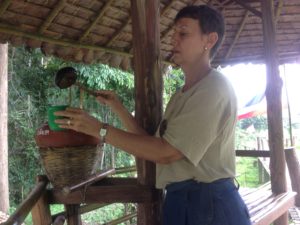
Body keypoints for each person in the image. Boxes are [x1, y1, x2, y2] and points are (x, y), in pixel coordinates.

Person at [55, 5, 251, 225]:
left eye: (183, 33)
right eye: (174, 33)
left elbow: (166, 153)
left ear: (210, 40)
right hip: (184, 202)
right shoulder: (182, 95)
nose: (173, 39)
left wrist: (99, 130)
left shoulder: (214, 88)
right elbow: (154, 145)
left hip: (208, 205)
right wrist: (117, 107)